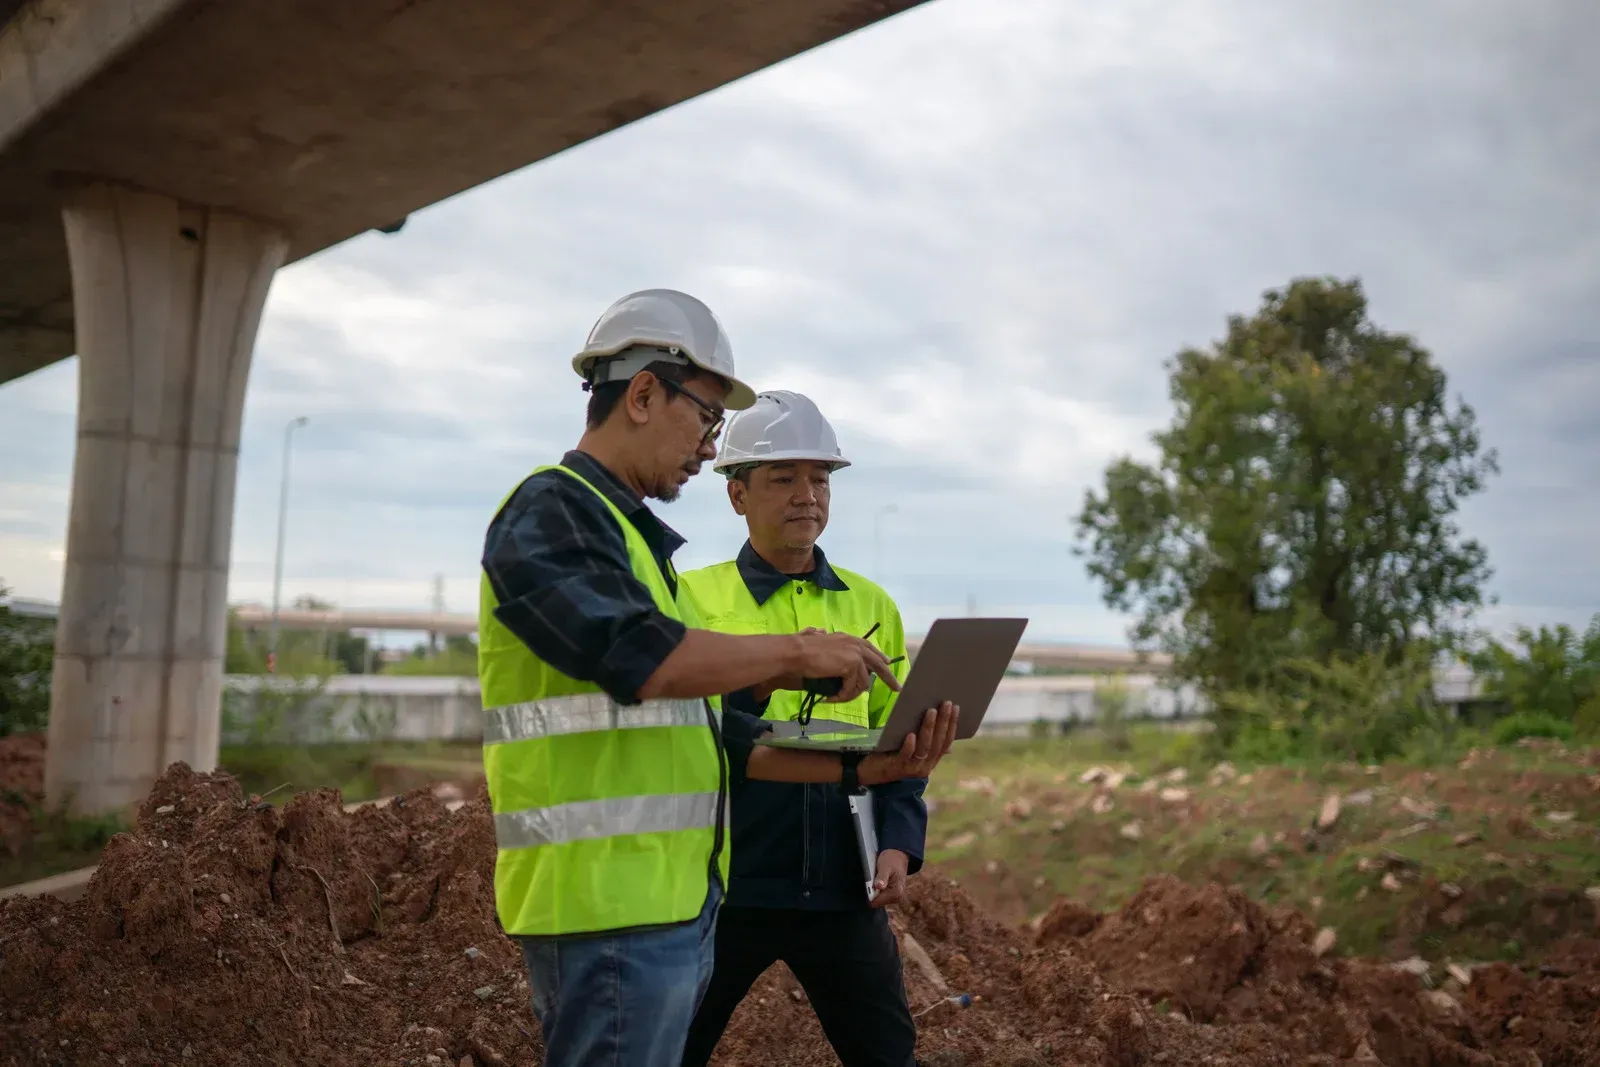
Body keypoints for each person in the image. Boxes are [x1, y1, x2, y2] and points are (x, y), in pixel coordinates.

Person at [476, 289, 961, 1067]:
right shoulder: (555, 512)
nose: (708, 446)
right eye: (705, 417)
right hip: (607, 904)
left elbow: (713, 733)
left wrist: (875, 771)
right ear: (642, 394)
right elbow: (643, 657)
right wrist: (797, 655)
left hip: (668, 901)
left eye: (819, 479)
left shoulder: (635, 546)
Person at [678, 390, 925, 1067]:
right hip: (723, 888)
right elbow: (679, 727)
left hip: (843, 889)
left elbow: (898, 745)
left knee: (888, 1054)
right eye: (783, 477)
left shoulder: (873, 605)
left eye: (819, 478)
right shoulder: (688, 598)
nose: (806, 495)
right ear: (736, 494)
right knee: (669, 1051)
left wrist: (899, 844)